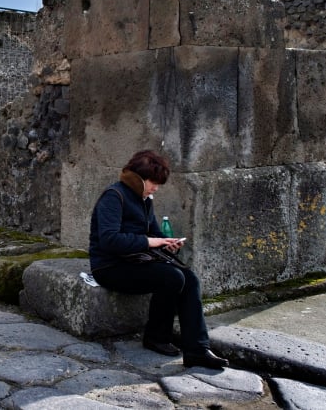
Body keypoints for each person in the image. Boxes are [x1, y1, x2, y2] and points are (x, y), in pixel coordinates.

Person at [88, 150, 229, 369]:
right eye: (153, 182)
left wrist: (168, 242)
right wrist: (151, 242)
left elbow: (153, 232)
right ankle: (156, 336)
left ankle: (198, 349)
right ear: (139, 177)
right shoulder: (114, 197)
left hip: (136, 260)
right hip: (110, 266)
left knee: (189, 278)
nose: (156, 188)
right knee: (171, 277)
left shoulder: (144, 199)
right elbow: (109, 240)